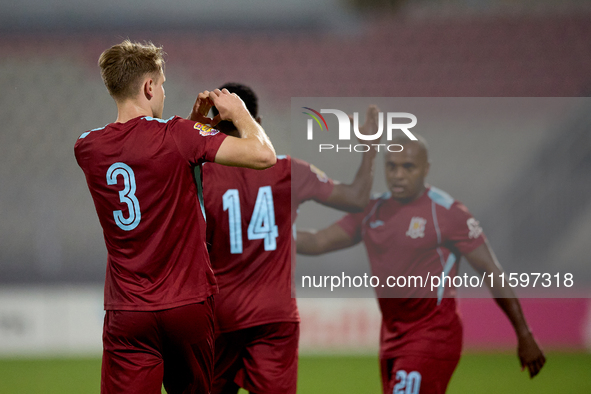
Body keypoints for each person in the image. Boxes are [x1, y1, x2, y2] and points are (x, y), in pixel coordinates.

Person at [74, 41, 276, 394]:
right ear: (149, 87)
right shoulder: (178, 135)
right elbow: (263, 155)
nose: (164, 92)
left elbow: (151, 159)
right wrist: (240, 114)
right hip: (187, 305)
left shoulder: (88, 147)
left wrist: (193, 125)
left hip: (128, 310)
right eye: (162, 83)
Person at [297, 135, 546, 394]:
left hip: (433, 333)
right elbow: (319, 240)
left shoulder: (447, 213)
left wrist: (524, 333)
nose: (398, 175)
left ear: (426, 169)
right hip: (392, 336)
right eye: (392, 166)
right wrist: (274, 234)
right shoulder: (371, 209)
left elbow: (491, 272)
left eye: (408, 167)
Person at [202, 82, 380, 394]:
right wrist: (369, 150)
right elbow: (356, 198)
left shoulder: (200, 176)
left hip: (218, 316)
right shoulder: (290, 170)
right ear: (257, 122)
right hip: (275, 315)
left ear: (214, 123)